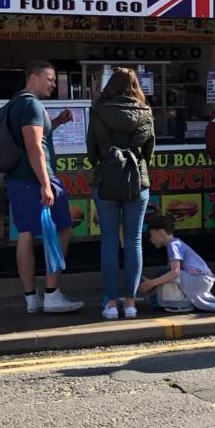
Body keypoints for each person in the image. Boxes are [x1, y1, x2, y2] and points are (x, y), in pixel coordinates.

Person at [5, 61, 84, 314]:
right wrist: (45, 184)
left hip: (18, 180)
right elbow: (34, 146)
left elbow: (32, 136)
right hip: (37, 180)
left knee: (26, 233)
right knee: (63, 229)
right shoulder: (31, 104)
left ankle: (32, 299)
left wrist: (57, 122)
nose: (53, 84)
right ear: (34, 77)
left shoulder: (16, 102)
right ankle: (52, 294)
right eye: (49, 78)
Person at [87, 67, 155, 320]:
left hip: (105, 180)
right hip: (137, 183)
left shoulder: (99, 112)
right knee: (134, 241)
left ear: (110, 85)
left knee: (109, 242)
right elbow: (149, 154)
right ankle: (131, 303)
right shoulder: (146, 113)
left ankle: (111, 304)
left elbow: (91, 152)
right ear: (135, 86)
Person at [139, 216, 215, 313]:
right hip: (202, 279)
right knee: (164, 274)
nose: (150, 240)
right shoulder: (176, 243)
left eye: (151, 235)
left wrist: (153, 283)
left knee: (166, 274)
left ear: (161, 232)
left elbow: (175, 273)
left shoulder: (173, 246)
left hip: (200, 279)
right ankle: (167, 300)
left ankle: (181, 304)